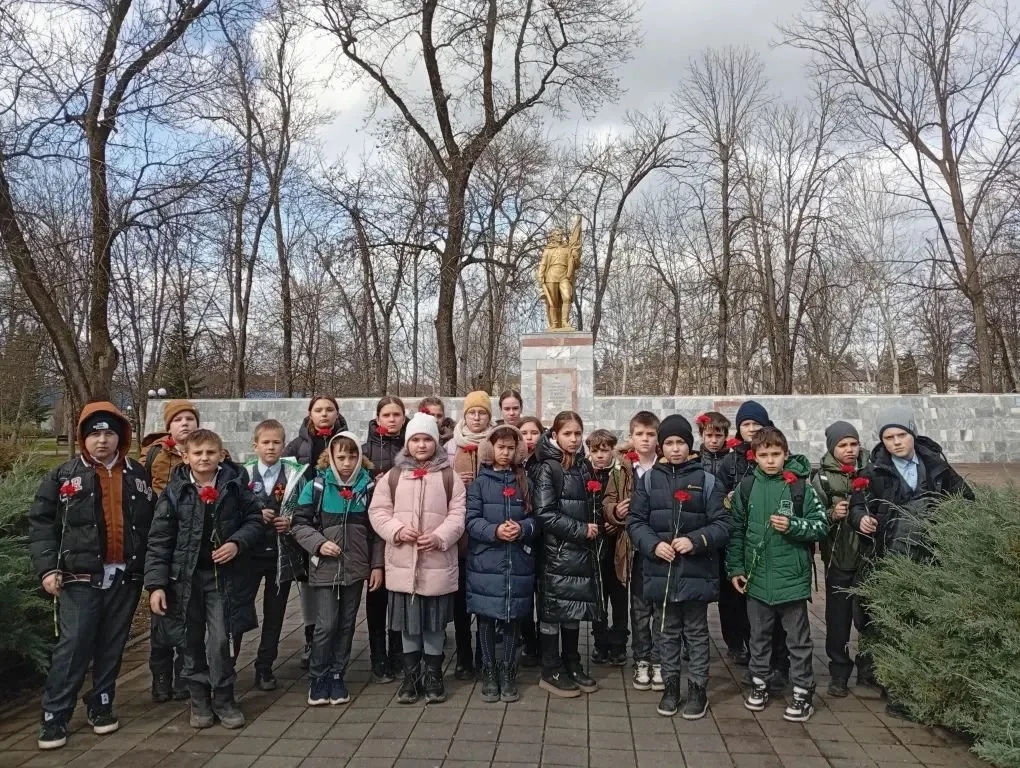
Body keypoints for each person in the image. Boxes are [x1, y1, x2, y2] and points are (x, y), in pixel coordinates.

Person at [30, 403, 155, 751]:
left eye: (109, 433)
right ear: (83, 438)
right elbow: (41, 523)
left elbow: (150, 523)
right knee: (74, 646)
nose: (102, 440)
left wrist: (150, 569)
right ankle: (55, 714)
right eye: (95, 433)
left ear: (121, 437)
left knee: (112, 645)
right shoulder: (63, 476)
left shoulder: (137, 474)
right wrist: (48, 568)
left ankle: (101, 703)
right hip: (78, 577)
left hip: (125, 577)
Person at [849, 405, 974, 719]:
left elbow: (966, 500)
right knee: (890, 621)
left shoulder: (936, 467)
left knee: (921, 621)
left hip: (930, 557)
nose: (896, 442)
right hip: (889, 556)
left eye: (901, 435)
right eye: (889, 437)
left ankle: (912, 682)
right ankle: (893, 686)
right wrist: (861, 519)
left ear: (912, 434)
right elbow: (856, 506)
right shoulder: (873, 472)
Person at [145, 429, 263, 730]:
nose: (204, 458)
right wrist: (156, 585)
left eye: (210, 452)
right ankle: (199, 700)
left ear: (221, 455)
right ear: (185, 457)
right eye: (197, 453)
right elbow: (159, 540)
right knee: (190, 640)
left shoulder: (235, 486)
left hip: (223, 578)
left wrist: (236, 542)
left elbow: (254, 520)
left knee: (221, 639)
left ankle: (224, 698)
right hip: (185, 580)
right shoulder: (175, 492)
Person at [627, 414, 729, 719]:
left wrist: (696, 540)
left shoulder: (707, 480)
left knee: (696, 633)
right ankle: (671, 687)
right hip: (661, 571)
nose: (675, 448)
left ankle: (698, 689)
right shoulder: (649, 480)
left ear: (690, 445)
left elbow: (723, 524)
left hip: (696, 572)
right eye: (669, 442)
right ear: (661, 446)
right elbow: (636, 521)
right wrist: (653, 545)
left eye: (681, 442)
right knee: (667, 632)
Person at [726, 427, 828, 722]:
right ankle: (759, 683)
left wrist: (794, 525)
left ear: (785, 454)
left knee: (798, 640)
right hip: (757, 578)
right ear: (754, 457)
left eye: (775, 454)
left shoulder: (800, 487)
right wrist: (736, 569)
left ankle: (803, 690)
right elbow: (736, 531)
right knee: (758, 636)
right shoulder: (747, 487)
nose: (770, 460)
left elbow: (821, 525)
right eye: (764, 455)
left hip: (791, 581)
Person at [369, 413, 466, 705]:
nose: (421, 445)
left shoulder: (449, 477)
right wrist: (397, 531)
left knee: (434, 625)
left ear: (436, 442)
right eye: (415, 440)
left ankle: (434, 675)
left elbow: (458, 515)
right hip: (403, 564)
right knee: (409, 625)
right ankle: (411, 677)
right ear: (407, 443)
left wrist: (439, 537)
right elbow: (378, 512)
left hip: (437, 564)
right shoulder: (393, 476)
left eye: (427, 439)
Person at [292, 432, 384, 706]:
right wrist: (319, 544)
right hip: (325, 569)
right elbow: (299, 524)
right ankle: (318, 676)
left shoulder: (369, 488)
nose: (346, 463)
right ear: (330, 457)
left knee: (346, 624)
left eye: (352, 457)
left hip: (356, 569)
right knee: (326, 624)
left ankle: (337, 674)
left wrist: (376, 565)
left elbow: (376, 533)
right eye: (341, 457)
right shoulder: (317, 486)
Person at [716, 400, 789, 688]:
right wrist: (728, 500)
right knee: (742, 604)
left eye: (756, 424)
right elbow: (719, 496)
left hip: (773, 540)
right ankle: (750, 653)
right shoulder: (730, 460)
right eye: (745, 424)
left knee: (775, 609)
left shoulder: (778, 455)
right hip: (741, 537)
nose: (751, 428)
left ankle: (779, 663)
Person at [532, 411, 603, 698]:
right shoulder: (548, 468)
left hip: (580, 552)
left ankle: (572, 663)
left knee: (573, 609)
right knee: (553, 611)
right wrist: (580, 529)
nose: (573, 439)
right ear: (555, 435)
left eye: (577, 433)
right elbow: (544, 513)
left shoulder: (583, 465)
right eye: (567, 434)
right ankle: (550, 668)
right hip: (556, 552)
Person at [465, 425, 539, 703]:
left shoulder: (525, 481)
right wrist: (494, 530)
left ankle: (508, 671)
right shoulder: (480, 483)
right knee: (486, 618)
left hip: (517, 560)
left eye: (510, 448)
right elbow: (471, 520)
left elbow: (536, 518)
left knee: (512, 618)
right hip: (486, 561)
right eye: (500, 447)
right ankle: (489, 670)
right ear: (491, 448)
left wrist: (522, 528)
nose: (505, 453)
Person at [238, 419, 306, 691]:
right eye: (265, 442)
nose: (271, 447)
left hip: (280, 555)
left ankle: (264, 667)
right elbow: (233, 510)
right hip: (249, 555)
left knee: (275, 614)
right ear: (255, 445)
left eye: (276, 442)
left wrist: (291, 521)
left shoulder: (295, 475)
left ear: (284, 445)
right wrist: (255, 514)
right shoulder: (243, 475)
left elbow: (305, 508)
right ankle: (228, 665)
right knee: (239, 610)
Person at [140, 398, 200, 702]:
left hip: (192, 542)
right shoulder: (153, 454)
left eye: (190, 418)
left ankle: (183, 675)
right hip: (162, 538)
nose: (185, 423)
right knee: (161, 613)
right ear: (169, 427)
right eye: (178, 419)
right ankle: (160, 676)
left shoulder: (208, 451)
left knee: (190, 616)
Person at [283, 394, 347, 670]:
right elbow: (287, 481)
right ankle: (312, 636)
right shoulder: (297, 445)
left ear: (337, 413)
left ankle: (335, 637)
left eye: (329, 409)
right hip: (307, 520)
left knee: (338, 580)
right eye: (318, 409)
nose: (324, 414)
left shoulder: (346, 441)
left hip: (338, 520)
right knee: (309, 582)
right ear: (310, 413)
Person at [809, 421, 870, 698]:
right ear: (832, 448)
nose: (849, 450)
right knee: (838, 620)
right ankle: (839, 672)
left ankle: (870, 669)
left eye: (853, 444)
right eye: (843, 445)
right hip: (838, 558)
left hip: (869, 558)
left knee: (869, 617)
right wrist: (832, 515)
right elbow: (813, 517)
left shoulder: (871, 471)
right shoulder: (822, 479)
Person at [604, 410, 663, 692]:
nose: (645, 439)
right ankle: (641, 659)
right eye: (639, 434)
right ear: (631, 437)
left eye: (650, 434)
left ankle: (660, 659)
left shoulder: (665, 466)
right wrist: (615, 511)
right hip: (633, 548)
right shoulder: (622, 468)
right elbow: (608, 500)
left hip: (662, 547)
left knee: (662, 609)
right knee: (639, 609)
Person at [446, 390, 494, 679]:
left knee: (485, 596)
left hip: (487, 530)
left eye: (482, 413)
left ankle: (484, 654)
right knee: (461, 598)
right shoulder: (450, 446)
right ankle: (463, 655)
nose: (477, 418)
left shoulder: (497, 442)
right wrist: (455, 481)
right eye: (472, 413)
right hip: (460, 533)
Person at [361, 396, 408, 683]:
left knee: (399, 597)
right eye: (387, 415)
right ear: (378, 418)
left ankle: (398, 653)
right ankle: (378, 655)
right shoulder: (365, 451)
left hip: (403, 530)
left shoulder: (411, 446)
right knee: (376, 597)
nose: (392, 419)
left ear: (404, 417)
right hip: (373, 531)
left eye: (397, 414)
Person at [586, 429, 628, 667]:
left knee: (620, 597)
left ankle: (620, 643)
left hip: (617, 544)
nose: (600, 455)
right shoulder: (585, 472)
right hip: (595, 544)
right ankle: (600, 642)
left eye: (605, 450)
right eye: (595, 451)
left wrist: (618, 521)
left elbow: (629, 503)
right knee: (598, 598)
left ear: (613, 450)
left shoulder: (621, 472)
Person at [517, 415, 545, 664]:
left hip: (543, 535)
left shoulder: (547, 462)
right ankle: (528, 639)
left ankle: (545, 639)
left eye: (534, 432)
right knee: (524, 591)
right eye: (524, 433)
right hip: (521, 534)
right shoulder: (512, 463)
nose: (529, 438)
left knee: (542, 591)